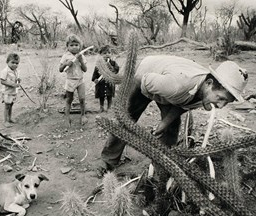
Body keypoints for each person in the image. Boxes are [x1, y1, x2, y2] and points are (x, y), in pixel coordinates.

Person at [100, 55, 248, 172]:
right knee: (127, 119)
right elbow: (142, 81)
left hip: (168, 83)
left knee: (172, 125)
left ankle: (163, 166)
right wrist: (154, 99)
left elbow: (182, 106)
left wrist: (163, 124)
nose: (221, 106)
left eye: (226, 102)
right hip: (144, 75)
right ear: (209, 84)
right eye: (221, 98)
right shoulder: (176, 86)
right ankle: (108, 161)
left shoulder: (205, 94)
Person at [59, 34, 88, 127]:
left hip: (80, 80)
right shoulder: (65, 56)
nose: (74, 47)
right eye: (71, 45)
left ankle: (83, 115)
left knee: (82, 99)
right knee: (69, 99)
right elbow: (60, 69)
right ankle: (67, 117)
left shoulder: (81, 56)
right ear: (67, 47)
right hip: (70, 80)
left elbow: (85, 69)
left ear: (80, 46)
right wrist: (65, 64)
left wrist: (81, 61)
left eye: (76, 45)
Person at [92, 45, 119, 113]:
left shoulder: (113, 63)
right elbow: (95, 74)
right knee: (101, 95)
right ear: (100, 55)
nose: (107, 54)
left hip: (110, 82)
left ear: (111, 54)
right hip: (101, 83)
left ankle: (109, 107)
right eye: (104, 53)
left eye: (109, 53)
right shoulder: (99, 64)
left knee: (109, 95)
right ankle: (101, 107)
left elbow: (116, 70)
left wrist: (111, 67)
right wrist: (95, 79)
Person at [0, 52, 20, 126]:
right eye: (13, 62)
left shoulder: (16, 71)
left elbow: (16, 78)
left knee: (11, 105)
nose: (15, 65)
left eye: (17, 63)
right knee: (7, 106)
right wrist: (13, 84)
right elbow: (2, 81)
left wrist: (18, 80)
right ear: (7, 62)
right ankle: (5, 121)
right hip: (7, 92)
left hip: (13, 91)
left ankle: (10, 118)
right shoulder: (5, 71)